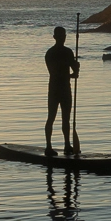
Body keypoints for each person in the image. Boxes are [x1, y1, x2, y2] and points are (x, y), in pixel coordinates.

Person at [43, 25, 79, 154]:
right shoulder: (51, 54)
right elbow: (54, 73)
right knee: (51, 117)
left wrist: (76, 68)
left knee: (65, 118)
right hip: (55, 89)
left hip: (64, 88)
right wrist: (72, 71)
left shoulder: (66, 52)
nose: (62, 38)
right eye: (60, 36)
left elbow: (74, 73)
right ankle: (48, 147)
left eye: (63, 36)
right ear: (55, 37)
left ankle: (67, 146)